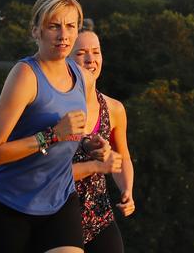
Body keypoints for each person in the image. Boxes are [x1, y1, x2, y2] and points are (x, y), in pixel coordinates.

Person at [0, 0, 92, 253]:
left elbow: (71, 137)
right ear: (36, 31)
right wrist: (52, 135)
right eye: (54, 26)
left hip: (60, 199)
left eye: (70, 26)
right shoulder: (25, 76)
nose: (63, 35)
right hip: (9, 204)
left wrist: (89, 145)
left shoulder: (82, 77)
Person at [70, 26, 135, 253]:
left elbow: (121, 156)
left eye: (96, 52)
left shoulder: (114, 108)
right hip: (57, 216)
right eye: (81, 53)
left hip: (100, 216)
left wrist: (127, 190)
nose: (90, 59)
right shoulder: (53, 107)